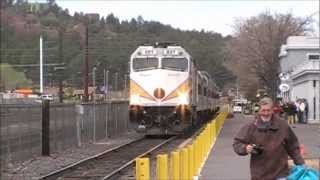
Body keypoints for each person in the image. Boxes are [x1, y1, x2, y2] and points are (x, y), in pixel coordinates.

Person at [233, 97, 304, 180]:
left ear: (272, 110)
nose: (266, 113)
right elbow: (237, 143)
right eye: (263, 110)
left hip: (280, 173)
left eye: (268, 110)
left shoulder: (282, 125)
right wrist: (245, 148)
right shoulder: (251, 126)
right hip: (259, 174)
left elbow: (293, 145)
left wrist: (300, 163)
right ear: (259, 110)